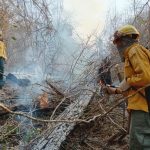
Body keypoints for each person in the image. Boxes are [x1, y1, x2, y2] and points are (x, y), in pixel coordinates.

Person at [106, 25, 150, 150]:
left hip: (143, 106)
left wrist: (128, 81)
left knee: (140, 144)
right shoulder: (134, 52)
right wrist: (115, 90)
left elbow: (146, 77)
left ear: (126, 39)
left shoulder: (134, 50)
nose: (117, 45)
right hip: (141, 105)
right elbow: (135, 81)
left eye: (118, 41)